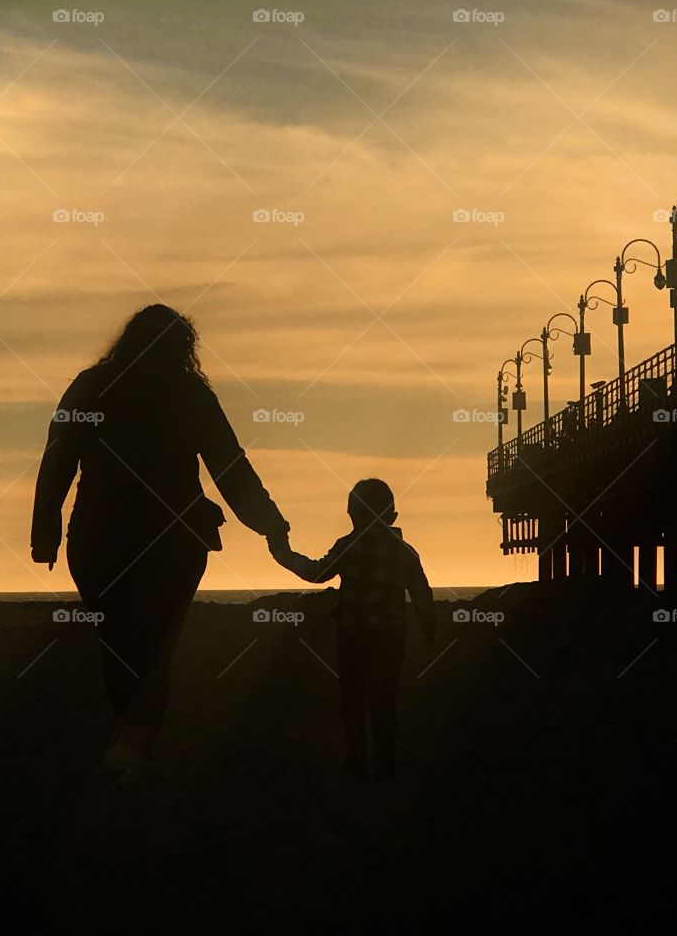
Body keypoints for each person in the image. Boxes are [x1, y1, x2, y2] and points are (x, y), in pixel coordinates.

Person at [31, 304, 289, 782]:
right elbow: (230, 468)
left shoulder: (93, 386)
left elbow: (57, 460)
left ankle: (130, 738)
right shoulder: (189, 393)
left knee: (118, 641)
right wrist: (270, 524)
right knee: (155, 647)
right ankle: (140, 741)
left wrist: (44, 529)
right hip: (172, 541)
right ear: (183, 349)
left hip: (99, 538)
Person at [267, 478, 435, 779]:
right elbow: (422, 593)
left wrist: (283, 554)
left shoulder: (348, 547)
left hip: (352, 634)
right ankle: (385, 763)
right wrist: (429, 628)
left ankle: (357, 756)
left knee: (352, 697)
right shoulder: (405, 552)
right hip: (391, 636)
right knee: (385, 698)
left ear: (352, 514)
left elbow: (317, 573)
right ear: (392, 516)